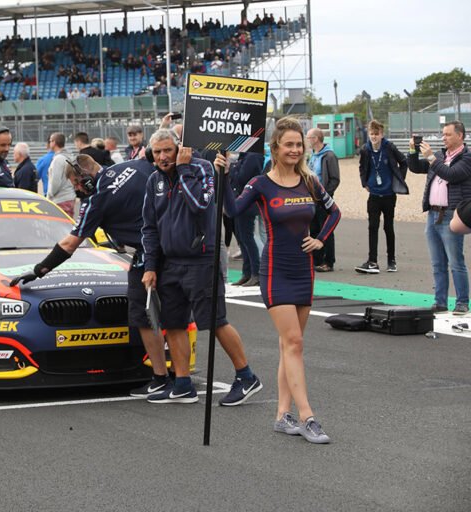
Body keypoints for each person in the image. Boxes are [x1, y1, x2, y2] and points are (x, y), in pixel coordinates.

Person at [215, 116, 341, 444]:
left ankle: (281, 416)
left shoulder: (310, 181)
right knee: (294, 343)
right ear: (275, 147)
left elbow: (335, 212)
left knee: (291, 345)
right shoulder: (260, 184)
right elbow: (231, 210)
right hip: (276, 272)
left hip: (304, 270)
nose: (295, 150)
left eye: (299, 145)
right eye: (289, 145)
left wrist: (321, 240)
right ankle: (307, 416)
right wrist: (224, 175)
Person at [9, 155, 178, 397]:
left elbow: (69, 244)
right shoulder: (133, 165)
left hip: (149, 255)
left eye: (76, 183)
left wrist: (39, 270)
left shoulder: (98, 197)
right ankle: (181, 380)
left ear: (85, 177)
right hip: (176, 247)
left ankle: (161, 378)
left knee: (144, 316)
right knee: (176, 316)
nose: (77, 189)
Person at [141, 129, 263, 406]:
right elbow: (149, 227)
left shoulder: (203, 168)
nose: (162, 157)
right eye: (157, 152)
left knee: (215, 321)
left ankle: (246, 375)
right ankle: (182, 383)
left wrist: (184, 169)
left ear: (179, 148)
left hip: (201, 259)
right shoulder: (153, 180)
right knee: (173, 323)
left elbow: (200, 204)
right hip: (170, 263)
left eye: (167, 151)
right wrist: (150, 266)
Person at [408, 121, 471, 314]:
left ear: (460, 136)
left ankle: (462, 302)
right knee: (437, 262)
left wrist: (431, 158)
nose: (443, 138)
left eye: (448, 134)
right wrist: (413, 151)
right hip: (433, 213)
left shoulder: (467, 158)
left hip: (452, 214)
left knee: (456, 262)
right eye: (443, 134)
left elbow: (451, 175)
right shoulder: (440, 156)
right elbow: (415, 167)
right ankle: (440, 301)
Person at [355, 120, 408, 274]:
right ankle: (372, 261)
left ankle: (391, 261)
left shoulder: (389, 147)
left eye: (376, 134)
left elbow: (404, 162)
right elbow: (362, 167)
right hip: (373, 195)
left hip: (389, 195)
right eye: (371, 134)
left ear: (382, 134)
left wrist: (398, 180)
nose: (374, 137)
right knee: (372, 227)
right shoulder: (366, 149)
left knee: (388, 227)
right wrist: (364, 182)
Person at [306, 128, 341, 272]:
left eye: (308, 137)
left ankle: (328, 261)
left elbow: (335, 179)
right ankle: (316, 259)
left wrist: (325, 195)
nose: (307, 140)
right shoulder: (312, 156)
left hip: (324, 199)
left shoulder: (329, 156)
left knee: (326, 229)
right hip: (312, 199)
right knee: (313, 229)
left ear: (316, 139)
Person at [228, 152, 264, 286]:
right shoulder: (244, 157)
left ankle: (256, 273)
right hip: (239, 201)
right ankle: (247, 273)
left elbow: (241, 178)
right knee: (242, 239)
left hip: (247, 203)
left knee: (247, 238)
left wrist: (232, 168)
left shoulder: (253, 156)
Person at [46, 132, 76, 217]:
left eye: (50, 141)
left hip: (60, 199)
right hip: (68, 196)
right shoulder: (69, 157)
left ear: (54, 142)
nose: (49, 143)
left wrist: (49, 195)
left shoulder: (58, 159)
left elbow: (55, 181)